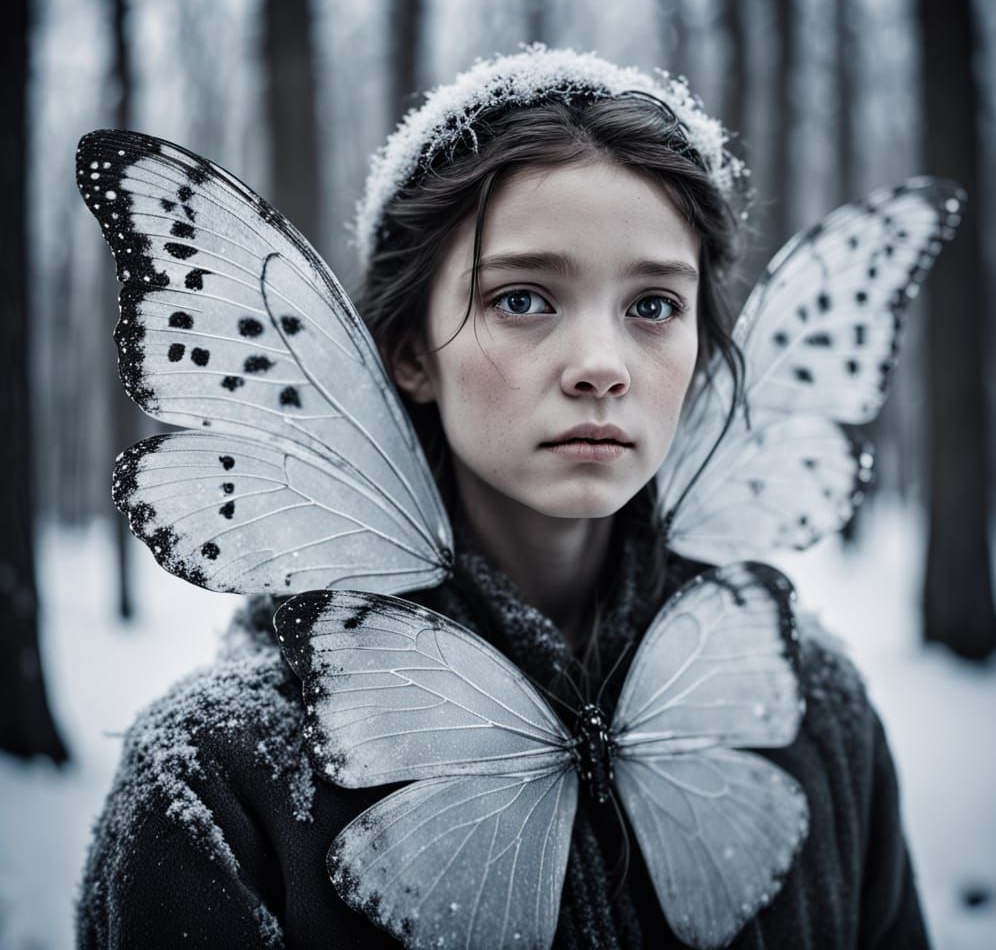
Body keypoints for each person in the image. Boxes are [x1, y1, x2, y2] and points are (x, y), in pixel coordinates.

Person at [76, 47, 934, 948]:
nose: (601, 366)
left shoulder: (811, 710)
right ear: (410, 352)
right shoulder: (223, 782)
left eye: (653, 306)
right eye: (523, 298)